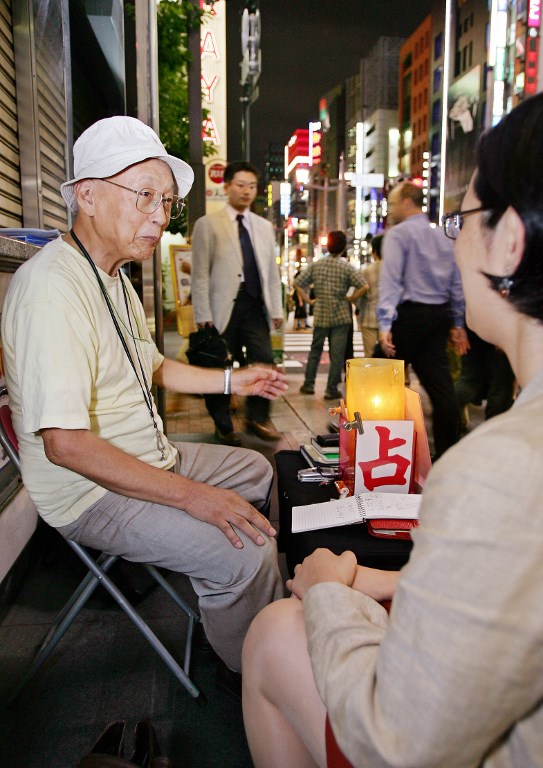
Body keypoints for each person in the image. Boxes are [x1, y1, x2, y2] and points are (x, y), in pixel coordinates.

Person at [242, 93, 543, 767]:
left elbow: (397, 743)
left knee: (273, 631)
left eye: (463, 219)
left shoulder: (502, 467)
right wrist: (384, 584)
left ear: (510, 241)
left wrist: (328, 592)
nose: (451, 242)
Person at [1, 116, 288, 679]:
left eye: (166, 201)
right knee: (245, 552)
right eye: (145, 196)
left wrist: (235, 381)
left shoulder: (111, 276)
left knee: (261, 471)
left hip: (148, 456)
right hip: (90, 493)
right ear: (88, 195)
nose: (160, 215)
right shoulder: (50, 290)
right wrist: (193, 497)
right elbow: (65, 446)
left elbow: (154, 366)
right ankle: (255, 675)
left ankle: (246, 610)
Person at [191, 161, 284, 445]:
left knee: (264, 360)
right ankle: (223, 424)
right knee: (218, 366)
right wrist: (203, 313)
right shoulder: (208, 224)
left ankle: (257, 417)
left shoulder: (264, 227)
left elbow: (271, 272)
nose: (246, 191)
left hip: (255, 304)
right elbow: (199, 274)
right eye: (241, 185)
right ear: (227, 186)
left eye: (252, 186)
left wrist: (276, 308)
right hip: (221, 308)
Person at [377, 181, 468, 458]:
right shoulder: (444, 237)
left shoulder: (397, 235)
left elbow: (391, 281)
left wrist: (385, 324)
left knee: (376, 375)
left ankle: (374, 445)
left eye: (393, 204)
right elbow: (456, 284)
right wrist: (457, 323)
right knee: (441, 389)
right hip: (438, 316)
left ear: (407, 201)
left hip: (409, 316)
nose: (391, 210)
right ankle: (448, 453)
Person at [295, 231, 368, 401]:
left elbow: (298, 283)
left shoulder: (317, 265)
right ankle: (331, 389)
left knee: (315, 351)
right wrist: (352, 298)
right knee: (337, 354)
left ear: (328, 246)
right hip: (341, 313)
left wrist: (308, 300)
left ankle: (308, 384)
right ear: (343, 247)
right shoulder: (347, 266)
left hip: (321, 312)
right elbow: (364, 286)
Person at [455, 327, 515, 427]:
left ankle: (445, 412)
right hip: (501, 332)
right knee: (500, 389)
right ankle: (492, 431)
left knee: (470, 382)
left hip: (473, 331)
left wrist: (459, 326)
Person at [356, 233, 383, 357]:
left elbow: (360, 295)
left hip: (369, 316)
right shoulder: (395, 269)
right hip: (391, 318)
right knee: (390, 357)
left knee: (370, 355)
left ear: (374, 252)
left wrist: (358, 312)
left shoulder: (366, 270)